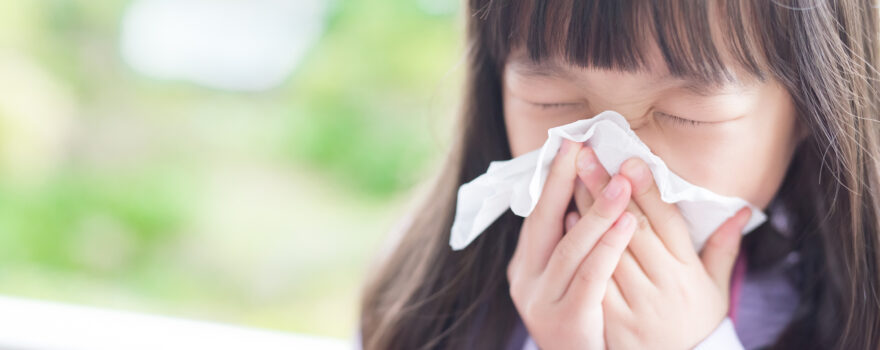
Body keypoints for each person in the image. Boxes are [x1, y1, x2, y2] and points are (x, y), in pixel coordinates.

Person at [360, 1, 880, 349]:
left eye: (686, 113)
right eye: (552, 100)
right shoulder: (434, 300)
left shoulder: (857, 309)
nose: (615, 170)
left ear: (817, 107)